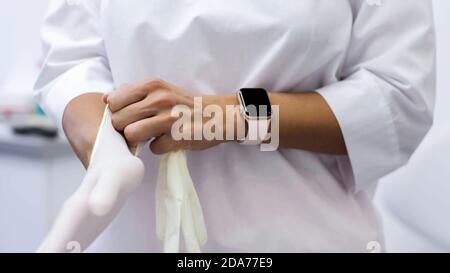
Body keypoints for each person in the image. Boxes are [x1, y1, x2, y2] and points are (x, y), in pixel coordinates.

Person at [34, 0, 436, 252]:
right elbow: (71, 60)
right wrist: (105, 146)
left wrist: (229, 118)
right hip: (137, 237)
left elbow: (398, 98)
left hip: (300, 237)